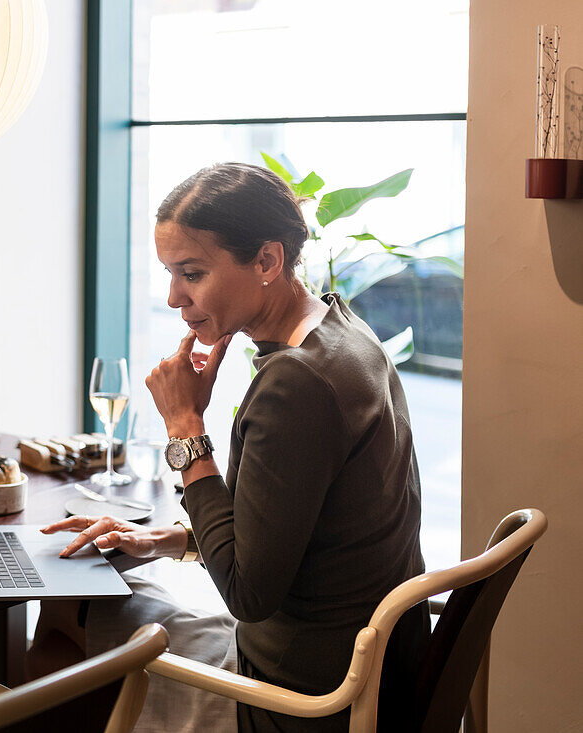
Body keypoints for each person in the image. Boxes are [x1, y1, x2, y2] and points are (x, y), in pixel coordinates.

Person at [34, 162, 429, 732]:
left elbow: (248, 592)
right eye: (170, 274)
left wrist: (185, 427)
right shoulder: (342, 332)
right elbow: (301, 530)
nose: (173, 298)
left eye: (191, 273)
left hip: (297, 700)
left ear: (267, 261)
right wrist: (164, 539)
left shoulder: (297, 385)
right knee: (108, 588)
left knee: (64, 616)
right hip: (364, 668)